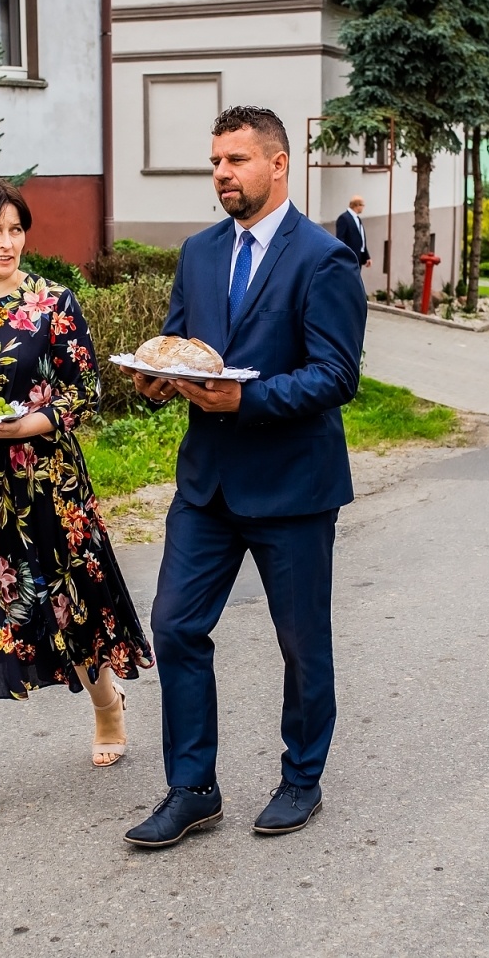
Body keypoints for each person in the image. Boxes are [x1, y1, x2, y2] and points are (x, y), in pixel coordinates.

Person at [118, 106, 365, 849]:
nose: (222, 173)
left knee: (301, 644)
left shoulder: (323, 258)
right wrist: (158, 378)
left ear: (277, 164)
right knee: (174, 625)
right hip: (207, 485)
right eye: (215, 161)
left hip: (293, 486)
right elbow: (182, 343)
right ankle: (192, 789)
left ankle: (301, 778)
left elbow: (336, 375)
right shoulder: (197, 253)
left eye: (236, 160)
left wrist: (248, 398)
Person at [0, 179, 154, 830]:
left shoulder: (53, 304)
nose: (6, 242)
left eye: (16, 229)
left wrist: (31, 424)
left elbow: (84, 393)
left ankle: (106, 704)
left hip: (46, 485)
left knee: (69, 613)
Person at [335, 195, 372, 267]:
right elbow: (340, 239)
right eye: (362, 205)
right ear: (357, 205)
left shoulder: (357, 219)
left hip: (358, 257)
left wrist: (366, 256)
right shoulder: (344, 218)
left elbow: (361, 239)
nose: (363, 208)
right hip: (349, 258)